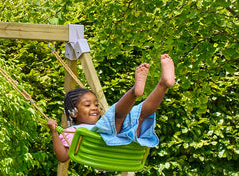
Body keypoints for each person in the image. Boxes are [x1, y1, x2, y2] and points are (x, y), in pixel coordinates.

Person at [48, 54, 176, 163]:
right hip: (110, 143)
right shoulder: (72, 131)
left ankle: (163, 84)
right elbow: (63, 157)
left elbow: (63, 158)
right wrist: (54, 132)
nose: (95, 108)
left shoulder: (97, 126)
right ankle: (134, 92)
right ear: (73, 113)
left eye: (97, 105)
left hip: (125, 142)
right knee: (117, 116)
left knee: (139, 115)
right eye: (88, 105)